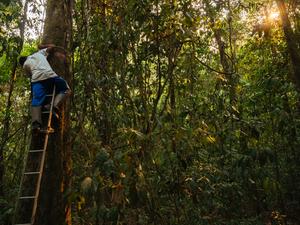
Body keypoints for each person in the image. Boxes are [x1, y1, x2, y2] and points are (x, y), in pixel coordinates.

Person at [19, 44, 71, 132]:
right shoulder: (39, 54)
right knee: (66, 89)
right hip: (49, 75)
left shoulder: (25, 65)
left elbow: (29, 75)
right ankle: (53, 105)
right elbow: (52, 47)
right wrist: (43, 46)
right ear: (27, 56)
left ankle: (36, 123)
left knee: (36, 99)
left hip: (36, 80)